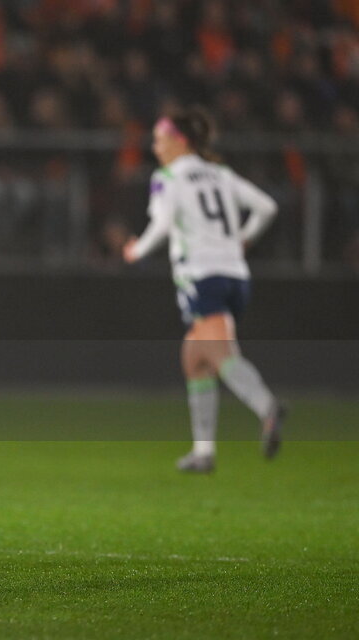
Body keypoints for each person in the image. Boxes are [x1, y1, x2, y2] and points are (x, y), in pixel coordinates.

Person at [123, 107, 285, 473]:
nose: (155, 147)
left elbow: (162, 224)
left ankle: (267, 408)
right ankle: (203, 452)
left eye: (160, 140)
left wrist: (136, 250)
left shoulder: (168, 177)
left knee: (219, 355)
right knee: (195, 358)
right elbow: (267, 207)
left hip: (202, 276)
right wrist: (244, 238)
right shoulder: (220, 173)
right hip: (235, 276)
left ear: (180, 141)